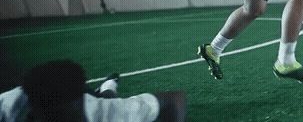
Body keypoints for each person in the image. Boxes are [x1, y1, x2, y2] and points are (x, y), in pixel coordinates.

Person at [0, 60, 186, 122]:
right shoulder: (8, 107)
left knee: (104, 97)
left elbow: (174, 99)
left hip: (92, 97)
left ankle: (108, 86)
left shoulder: (99, 112)